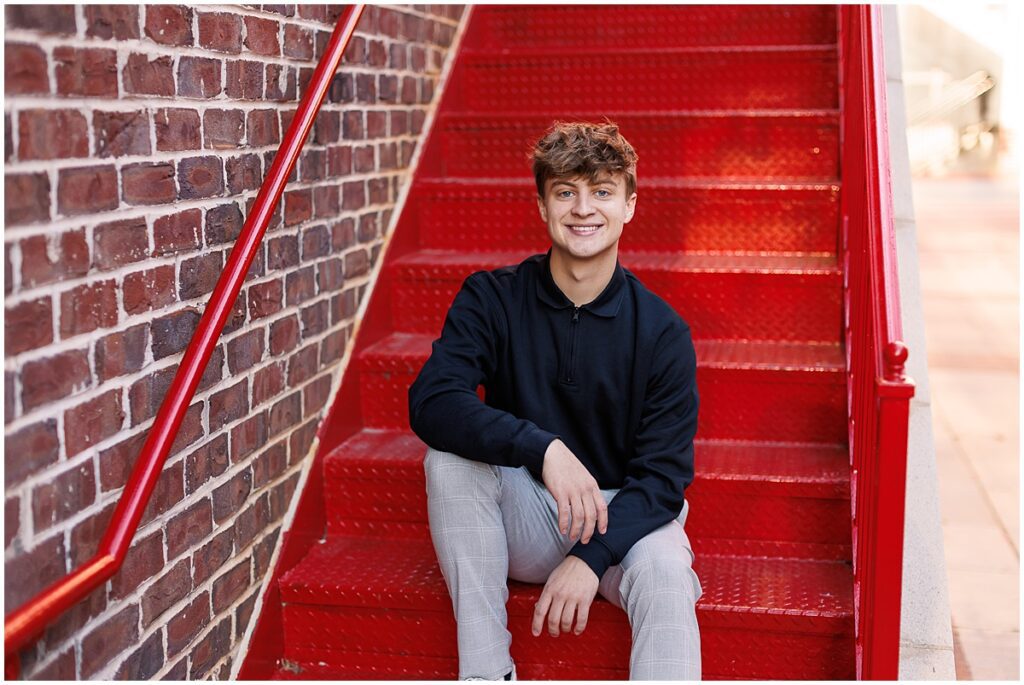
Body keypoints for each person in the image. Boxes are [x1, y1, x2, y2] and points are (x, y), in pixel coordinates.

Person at [408, 121, 702, 681]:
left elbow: (663, 480)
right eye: (565, 191)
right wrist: (542, 448)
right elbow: (432, 401)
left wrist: (592, 557)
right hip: (531, 510)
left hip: (625, 521)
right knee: (447, 461)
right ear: (543, 206)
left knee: (667, 573)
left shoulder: (662, 332)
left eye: (602, 191)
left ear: (629, 206)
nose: (582, 209)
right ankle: (487, 674)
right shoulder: (492, 298)